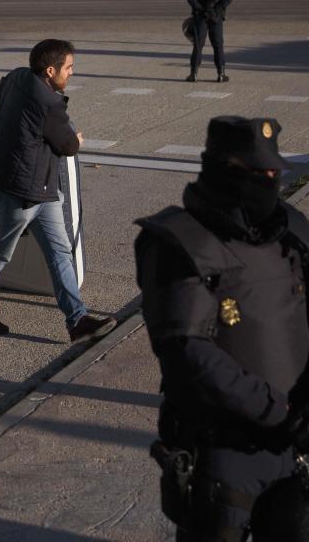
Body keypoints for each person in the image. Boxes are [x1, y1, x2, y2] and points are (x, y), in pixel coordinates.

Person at [135, 116, 309, 540]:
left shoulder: (290, 232)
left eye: (273, 173)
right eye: (255, 174)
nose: (268, 182)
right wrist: (278, 411)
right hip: (221, 453)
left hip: (293, 448)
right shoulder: (179, 242)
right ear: (221, 169)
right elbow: (186, 351)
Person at [0, 39, 115, 342]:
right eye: (69, 67)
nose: (72, 73)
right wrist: (77, 138)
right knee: (0, 253)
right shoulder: (49, 104)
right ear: (51, 70)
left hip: (35, 187)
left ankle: (78, 322)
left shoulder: (16, 77)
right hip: (21, 193)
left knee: (60, 252)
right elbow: (68, 146)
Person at [185, 0, 233, 83]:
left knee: (198, 45)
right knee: (218, 45)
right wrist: (218, 9)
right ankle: (221, 74)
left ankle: (193, 74)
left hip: (201, 15)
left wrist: (199, 7)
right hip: (216, 16)